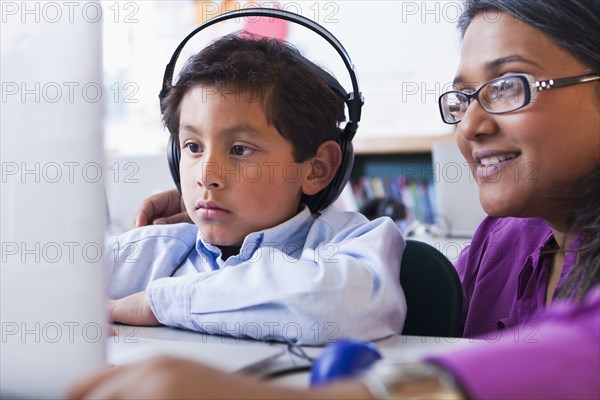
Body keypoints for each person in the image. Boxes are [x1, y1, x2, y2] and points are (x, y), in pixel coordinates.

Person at [69, 0, 599, 398]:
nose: (472, 126)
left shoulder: (359, 248)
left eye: (509, 85)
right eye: (463, 98)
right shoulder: (501, 241)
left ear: (319, 167)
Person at [107, 33, 406, 344]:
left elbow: (340, 308)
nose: (208, 175)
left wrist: (157, 303)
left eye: (239, 150)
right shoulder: (150, 251)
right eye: (193, 146)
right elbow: (55, 288)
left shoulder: (354, 241)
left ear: (318, 168)